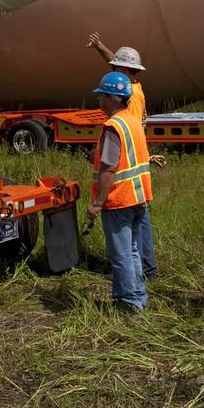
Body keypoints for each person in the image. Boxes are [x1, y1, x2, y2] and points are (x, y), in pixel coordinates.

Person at [88, 33, 160, 279]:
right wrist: (100, 47)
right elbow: (116, 64)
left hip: (126, 165)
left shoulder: (126, 99)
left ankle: (141, 272)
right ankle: (143, 269)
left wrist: (98, 202)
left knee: (131, 228)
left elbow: (125, 135)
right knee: (139, 219)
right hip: (135, 159)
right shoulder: (135, 89)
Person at [87, 70, 153, 312]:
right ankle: (137, 295)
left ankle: (129, 302)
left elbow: (108, 169)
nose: (99, 100)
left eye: (102, 95)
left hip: (120, 199)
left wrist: (97, 202)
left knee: (121, 253)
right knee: (133, 250)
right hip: (139, 197)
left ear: (114, 98)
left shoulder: (113, 126)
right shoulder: (133, 120)